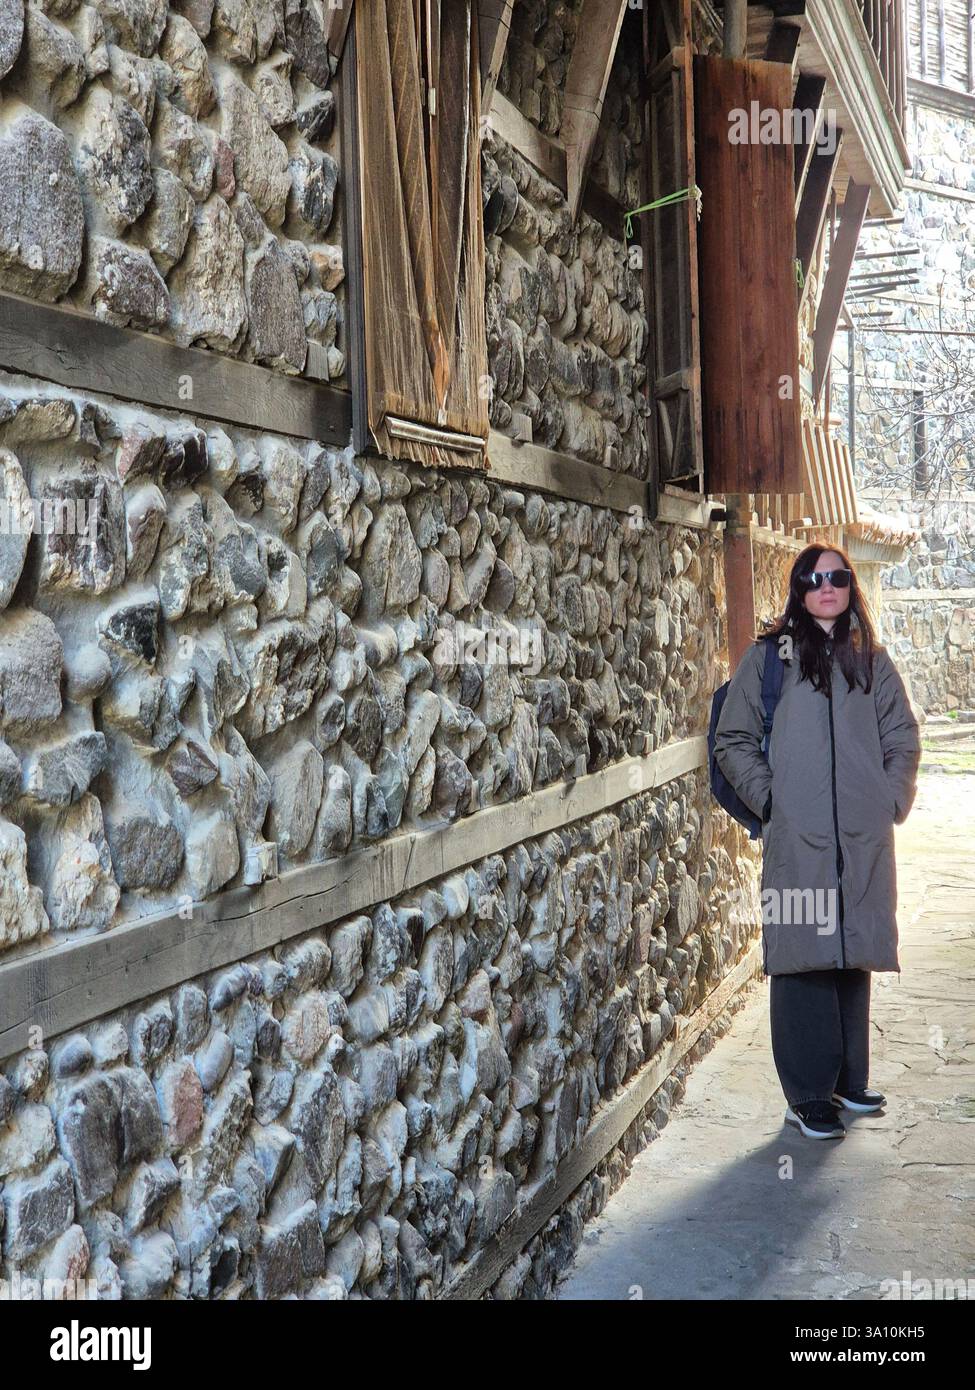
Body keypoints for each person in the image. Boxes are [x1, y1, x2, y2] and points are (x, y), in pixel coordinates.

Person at [713, 544, 921, 1140]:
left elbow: (902, 736)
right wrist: (772, 800)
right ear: (799, 589)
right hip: (797, 837)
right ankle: (807, 1093)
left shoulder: (872, 661)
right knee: (804, 954)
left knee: (852, 947)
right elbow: (733, 738)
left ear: (850, 586)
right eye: (814, 577)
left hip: (861, 835)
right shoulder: (769, 659)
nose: (826, 586)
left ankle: (848, 1080)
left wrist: (889, 798)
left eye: (837, 577)